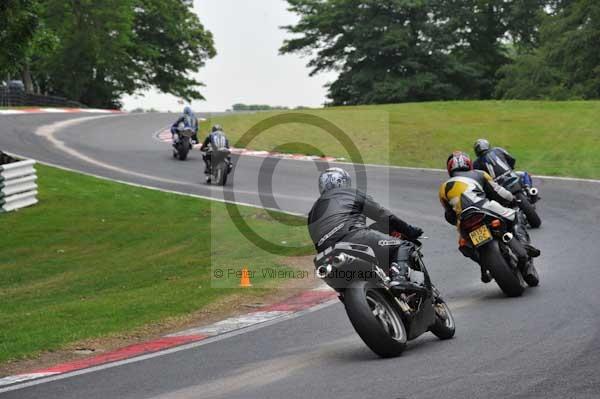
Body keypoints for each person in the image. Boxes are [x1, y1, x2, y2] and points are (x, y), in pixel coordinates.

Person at [307, 167, 424, 290]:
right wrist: (410, 230)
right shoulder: (350, 193)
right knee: (402, 246)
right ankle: (400, 279)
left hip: (325, 256)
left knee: (343, 291)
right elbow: (383, 215)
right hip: (354, 237)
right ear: (344, 182)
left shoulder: (311, 214)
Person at [439, 151, 540, 283]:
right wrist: (513, 199)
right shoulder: (480, 174)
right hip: (485, 208)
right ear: (469, 164)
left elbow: (449, 215)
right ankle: (525, 249)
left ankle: (485, 266)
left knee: (464, 246)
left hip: (464, 222)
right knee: (516, 215)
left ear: (449, 169)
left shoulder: (443, 188)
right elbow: (498, 192)